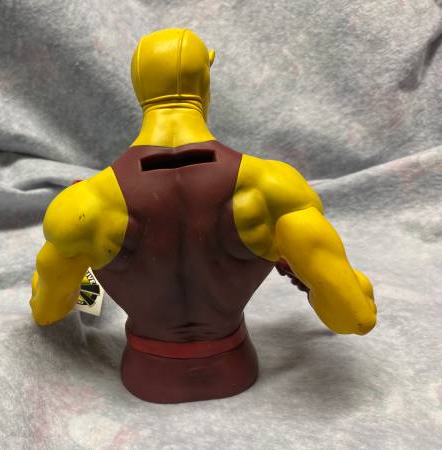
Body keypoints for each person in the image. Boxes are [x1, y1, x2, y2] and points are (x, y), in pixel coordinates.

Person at [29, 28, 377, 404]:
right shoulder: (271, 189)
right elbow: (354, 316)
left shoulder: (85, 205)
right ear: (204, 82)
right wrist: (332, 280)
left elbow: (47, 311)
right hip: (236, 369)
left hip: (146, 377)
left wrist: (71, 266)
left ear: (139, 88)